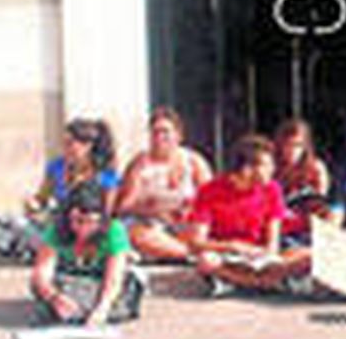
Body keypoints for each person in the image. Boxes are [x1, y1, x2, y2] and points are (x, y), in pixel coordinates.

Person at [186, 134, 312, 295]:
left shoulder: (273, 189)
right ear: (246, 168)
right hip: (227, 255)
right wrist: (233, 246)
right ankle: (265, 282)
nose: (273, 169)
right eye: (267, 165)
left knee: (310, 255)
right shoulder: (209, 191)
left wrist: (265, 254)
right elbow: (195, 242)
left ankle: (244, 282)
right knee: (206, 261)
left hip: (262, 257)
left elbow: (272, 241)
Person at [30, 180, 145, 326]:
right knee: (40, 291)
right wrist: (54, 297)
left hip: (100, 281)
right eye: (78, 221)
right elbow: (42, 272)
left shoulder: (114, 230)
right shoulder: (56, 230)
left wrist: (102, 308)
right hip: (70, 279)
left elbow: (114, 277)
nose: (84, 228)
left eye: (91, 222)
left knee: (124, 294)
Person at [114, 108, 212, 262]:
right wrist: (146, 206)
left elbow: (211, 198)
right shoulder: (140, 163)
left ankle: (179, 251)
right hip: (153, 225)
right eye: (155, 132)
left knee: (202, 229)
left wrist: (190, 209)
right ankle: (187, 254)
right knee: (135, 233)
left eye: (165, 131)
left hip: (186, 223)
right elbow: (123, 206)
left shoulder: (194, 161)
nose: (160, 137)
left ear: (178, 135)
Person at [28, 118, 120, 217]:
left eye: (70, 144)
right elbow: (42, 198)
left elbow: (107, 213)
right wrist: (33, 204)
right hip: (59, 223)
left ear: (88, 145)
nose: (65, 148)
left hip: (89, 226)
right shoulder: (56, 167)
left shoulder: (105, 174)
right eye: (64, 143)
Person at [272, 117, 330, 244]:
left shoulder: (315, 168)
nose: (292, 151)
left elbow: (321, 201)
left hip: (307, 226)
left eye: (298, 145)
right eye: (287, 145)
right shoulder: (272, 168)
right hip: (279, 225)